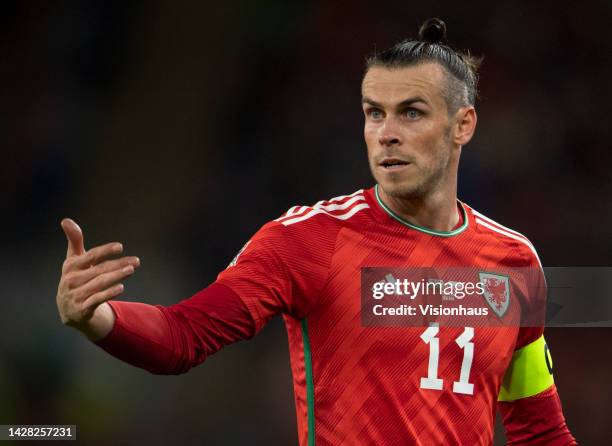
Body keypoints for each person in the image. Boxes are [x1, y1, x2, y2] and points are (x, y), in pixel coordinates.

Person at [56, 18, 576, 445]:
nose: (387, 133)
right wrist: (98, 319)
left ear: (463, 124)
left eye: (411, 113)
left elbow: (540, 430)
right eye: (374, 113)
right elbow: (182, 338)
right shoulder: (309, 240)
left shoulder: (513, 262)